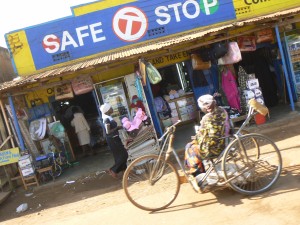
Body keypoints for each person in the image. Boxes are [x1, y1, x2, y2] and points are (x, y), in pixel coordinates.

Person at [184, 94, 230, 178]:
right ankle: (199, 171)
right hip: (225, 142)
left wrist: (197, 137)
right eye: (205, 106)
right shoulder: (223, 111)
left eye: (207, 105)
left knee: (190, 148)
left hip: (213, 148)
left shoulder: (206, 118)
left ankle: (198, 173)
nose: (206, 107)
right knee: (192, 145)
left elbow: (203, 135)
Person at [100, 103, 128, 179]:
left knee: (118, 156)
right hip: (112, 139)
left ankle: (124, 171)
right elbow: (108, 131)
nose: (112, 109)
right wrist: (117, 128)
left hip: (114, 138)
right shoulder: (106, 119)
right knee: (124, 155)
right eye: (111, 108)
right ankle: (113, 170)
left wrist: (119, 127)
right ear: (107, 110)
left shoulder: (108, 117)